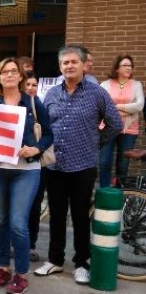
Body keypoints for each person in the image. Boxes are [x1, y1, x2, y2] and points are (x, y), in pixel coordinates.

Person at [35, 45, 122, 285]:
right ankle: (55, 260)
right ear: (60, 67)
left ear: (84, 65)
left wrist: (94, 143)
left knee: (81, 217)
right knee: (56, 216)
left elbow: (115, 124)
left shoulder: (97, 93)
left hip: (83, 165)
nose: (69, 66)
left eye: (74, 62)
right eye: (65, 63)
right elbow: (45, 127)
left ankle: (82, 263)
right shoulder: (51, 94)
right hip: (55, 166)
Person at [0, 59, 53, 294]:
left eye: (13, 71)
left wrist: (36, 149)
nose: (9, 75)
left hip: (25, 170)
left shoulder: (32, 102)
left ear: (20, 76)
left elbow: (49, 134)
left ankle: (21, 273)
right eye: (4, 72)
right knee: (0, 220)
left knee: (18, 223)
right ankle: (3, 268)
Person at [99, 55, 144, 188]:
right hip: (108, 128)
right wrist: (129, 109)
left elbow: (139, 105)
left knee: (123, 164)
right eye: (125, 65)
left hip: (129, 129)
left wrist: (117, 107)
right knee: (104, 162)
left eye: (130, 65)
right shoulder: (105, 85)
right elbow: (103, 107)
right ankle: (104, 192)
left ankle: (120, 193)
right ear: (117, 68)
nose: (129, 67)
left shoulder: (136, 85)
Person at [24, 71, 46, 262]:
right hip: (15, 164)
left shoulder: (37, 104)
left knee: (34, 206)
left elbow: (49, 133)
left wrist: (36, 149)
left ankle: (30, 245)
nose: (31, 88)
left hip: (37, 164)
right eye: (28, 84)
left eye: (34, 85)